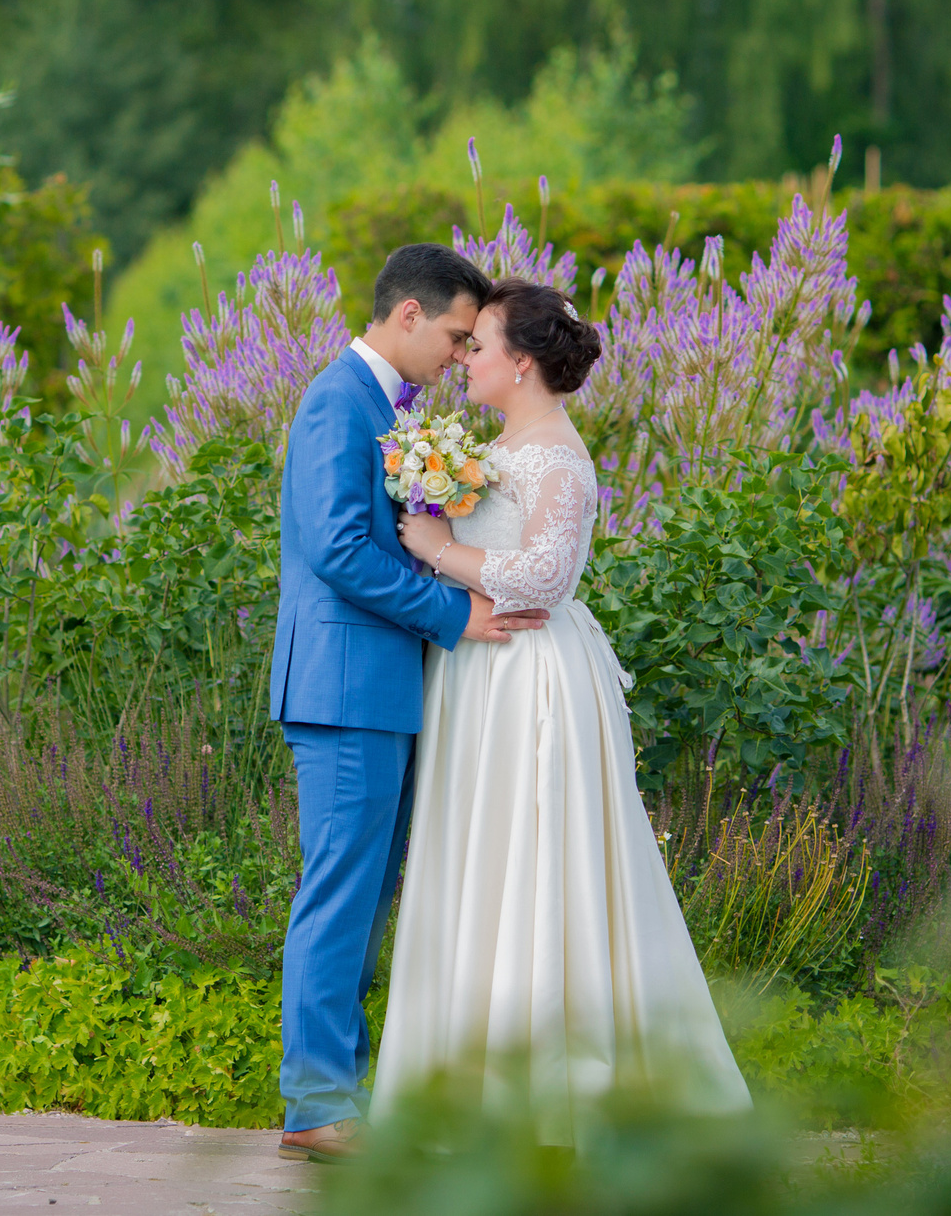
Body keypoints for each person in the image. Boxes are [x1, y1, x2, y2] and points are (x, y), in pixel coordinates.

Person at [377, 278, 750, 1140]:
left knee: (534, 852)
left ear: (523, 361)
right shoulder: (496, 446)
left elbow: (545, 577)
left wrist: (441, 547)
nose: (466, 356)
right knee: (476, 850)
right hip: (479, 671)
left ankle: (548, 1087)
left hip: (530, 675)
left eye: (483, 343)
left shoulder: (560, 458)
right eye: (465, 343)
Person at [272, 243, 550, 1165]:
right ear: (406, 316)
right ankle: (315, 1103)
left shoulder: (379, 408)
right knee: (341, 892)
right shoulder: (336, 403)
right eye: (455, 335)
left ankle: (337, 1097)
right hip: (345, 688)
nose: (459, 355)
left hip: (377, 687)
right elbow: (342, 552)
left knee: (365, 889)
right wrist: (454, 613)